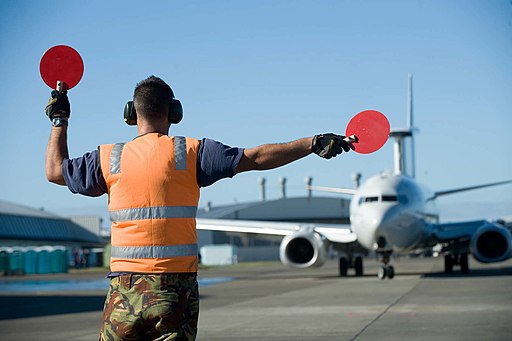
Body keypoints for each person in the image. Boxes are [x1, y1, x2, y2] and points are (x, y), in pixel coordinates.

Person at [45, 75, 354, 340]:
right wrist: (312, 143)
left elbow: (55, 171)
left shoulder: (108, 157)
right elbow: (257, 157)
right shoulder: (191, 152)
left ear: (131, 114)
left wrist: (60, 119)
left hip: (122, 293)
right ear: (174, 112)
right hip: (173, 292)